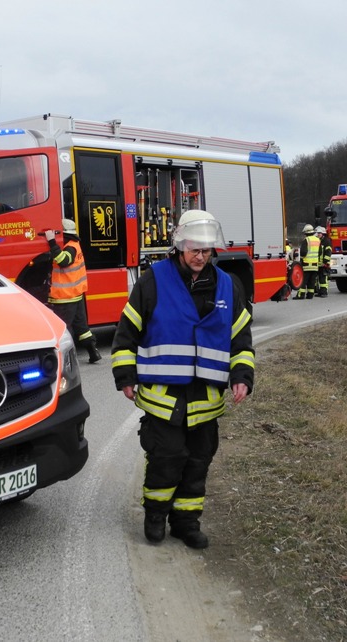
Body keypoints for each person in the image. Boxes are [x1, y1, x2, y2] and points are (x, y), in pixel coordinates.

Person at [111, 209, 255, 549]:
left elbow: (241, 340)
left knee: (197, 463)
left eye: (206, 250)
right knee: (166, 459)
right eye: (194, 249)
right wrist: (125, 375)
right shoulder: (153, 280)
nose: (200, 256)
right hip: (163, 399)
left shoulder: (227, 286)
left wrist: (242, 375)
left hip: (205, 401)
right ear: (179, 246)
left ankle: (186, 522)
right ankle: (156, 516)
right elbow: (126, 334)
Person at [47, 218, 101, 363]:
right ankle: (93, 352)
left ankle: (66, 359)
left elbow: (63, 261)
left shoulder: (70, 248)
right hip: (75, 295)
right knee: (82, 328)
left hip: (66, 298)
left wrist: (51, 242)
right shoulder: (76, 245)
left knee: (64, 329)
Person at [294, 224, 321, 299]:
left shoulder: (306, 240)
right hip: (315, 265)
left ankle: (301, 295)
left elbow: (303, 252)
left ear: (306, 233)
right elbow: (320, 252)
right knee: (312, 281)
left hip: (306, 265)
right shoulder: (318, 240)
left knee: (304, 281)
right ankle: (310, 295)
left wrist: (301, 259)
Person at [315, 225, 332, 298]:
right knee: (318, 279)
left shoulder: (326, 241)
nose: (318, 234)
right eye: (317, 233)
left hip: (324, 264)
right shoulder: (317, 241)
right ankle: (320, 292)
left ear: (323, 234)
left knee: (323, 279)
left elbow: (328, 252)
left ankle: (324, 292)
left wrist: (325, 262)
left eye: (319, 233)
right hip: (318, 264)